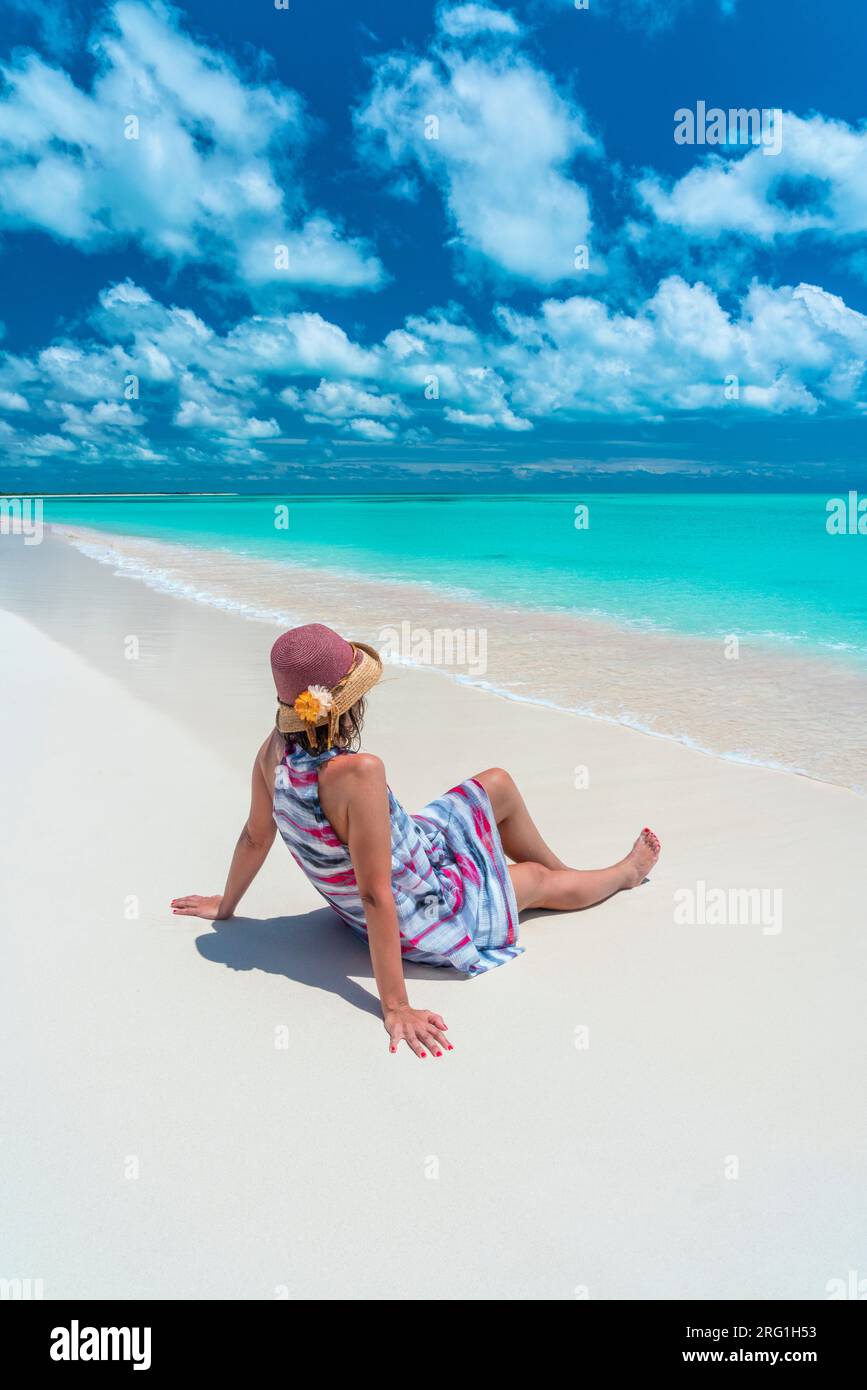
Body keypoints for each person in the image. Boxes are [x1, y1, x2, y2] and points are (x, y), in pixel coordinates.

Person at [172, 623, 660, 1058]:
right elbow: (374, 893)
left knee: (497, 783)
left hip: (411, 852)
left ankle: (567, 874)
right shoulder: (357, 773)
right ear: (347, 703)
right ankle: (622, 875)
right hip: (420, 908)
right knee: (532, 881)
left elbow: (257, 835)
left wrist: (227, 905)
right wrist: (396, 1006)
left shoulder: (274, 751)